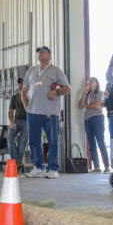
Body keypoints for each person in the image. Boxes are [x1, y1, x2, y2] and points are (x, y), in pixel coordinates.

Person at [22, 46, 71, 179]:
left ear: (50, 55)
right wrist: (27, 108)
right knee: (33, 141)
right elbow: (23, 91)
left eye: (43, 51)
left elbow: (67, 89)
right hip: (33, 112)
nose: (40, 53)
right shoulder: (31, 70)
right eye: (39, 52)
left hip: (50, 112)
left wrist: (56, 92)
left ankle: (53, 169)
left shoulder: (56, 71)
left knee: (53, 140)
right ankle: (38, 168)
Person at [78, 77, 108, 172]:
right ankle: (97, 166)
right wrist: (84, 94)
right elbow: (80, 105)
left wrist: (86, 105)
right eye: (88, 81)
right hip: (87, 119)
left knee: (100, 142)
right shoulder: (87, 95)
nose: (89, 83)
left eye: (92, 81)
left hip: (97, 118)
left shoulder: (100, 93)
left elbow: (96, 106)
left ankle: (107, 166)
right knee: (91, 143)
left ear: (96, 83)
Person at [7, 78, 28, 173]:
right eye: (19, 83)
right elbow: (11, 111)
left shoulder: (30, 96)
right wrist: (11, 122)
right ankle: (17, 161)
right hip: (17, 120)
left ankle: (17, 162)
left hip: (27, 121)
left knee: (22, 141)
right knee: (9, 136)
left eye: (23, 83)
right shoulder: (14, 97)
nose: (21, 84)